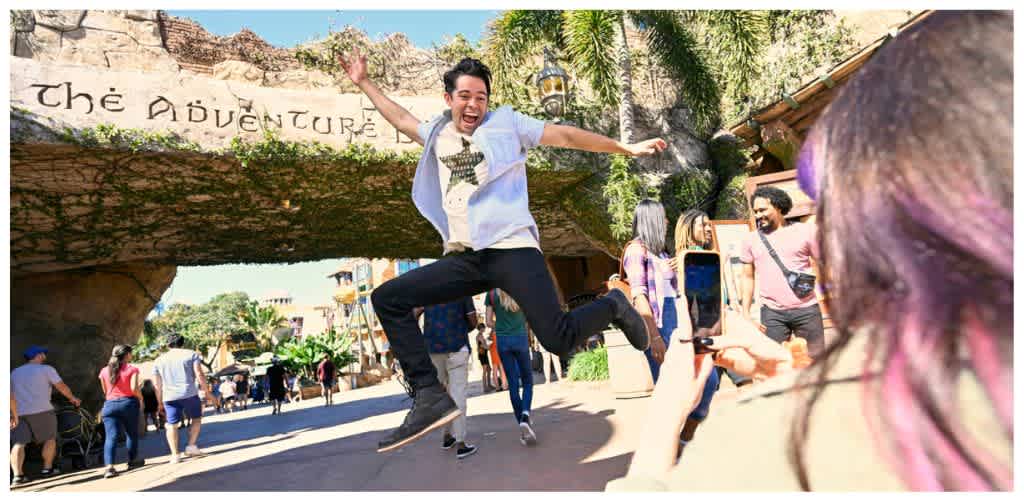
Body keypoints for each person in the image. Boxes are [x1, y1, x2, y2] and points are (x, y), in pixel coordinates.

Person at [607, 11, 1011, 492]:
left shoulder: (763, 443)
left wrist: (660, 429)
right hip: (774, 316)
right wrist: (781, 364)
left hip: (801, 318)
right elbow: (731, 280)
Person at [338, 51, 661, 452]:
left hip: (511, 249)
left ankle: (613, 305)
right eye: (465, 96)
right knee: (388, 297)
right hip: (466, 256)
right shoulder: (438, 135)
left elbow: (567, 135)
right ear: (448, 99)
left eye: (481, 97)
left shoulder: (508, 123)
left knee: (558, 339)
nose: (473, 105)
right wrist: (364, 82)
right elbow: (402, 119)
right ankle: (429, 395)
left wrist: (624, 148)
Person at [624, 201, 721, 454]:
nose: (667, 222)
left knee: (708, 378)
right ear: (652, 220)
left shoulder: (663, 254)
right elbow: (639, 296)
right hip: (658, 323)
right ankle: (666, 450)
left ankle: (686, 435)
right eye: (663, 217)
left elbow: (681, 291)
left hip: (680, 318)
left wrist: (681, 270)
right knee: (670, 393)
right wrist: (654, 337)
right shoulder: (636, 251)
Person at [739, 185, 825, 356]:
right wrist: (745, 312)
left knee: (816, 363)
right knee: (774, 365)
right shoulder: (751, 240)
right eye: (755, 211)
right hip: (772, 314)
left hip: (807, 310)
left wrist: (823, 294)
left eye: (762, 210)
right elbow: (747, 277)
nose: (758, 215)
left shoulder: (806, 231)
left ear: (778, 206)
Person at [416, 297, 478, 459]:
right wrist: (462, 329)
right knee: (458, 394)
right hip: (457, 345)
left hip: (434, 347)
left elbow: (414, 313)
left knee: (443, 394)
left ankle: (446, 436)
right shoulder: (461, 287)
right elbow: (473, 320)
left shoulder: (426, 290)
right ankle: (461, 443)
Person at [10, 346, 81, 485]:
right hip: (43, 410)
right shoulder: (46, 369)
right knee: (50, 439)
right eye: (43, 353)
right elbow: (61, 386)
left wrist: (13, 414)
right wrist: (73, 398)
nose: (45, 355)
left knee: (19, 443)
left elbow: (10, 395)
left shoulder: (14, 373)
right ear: (39, 355)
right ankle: (47, 469)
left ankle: (18, 476)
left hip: (20, 413)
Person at [485, 289, 537, 446]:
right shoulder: (519, 289)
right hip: (520, 338)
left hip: (503, 341)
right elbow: (530, 315)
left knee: (513, 384)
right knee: (527, 381)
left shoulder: (492, 294)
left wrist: (500, 325)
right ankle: (525, 415)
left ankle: (522, 425)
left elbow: (488, 322)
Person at [152, 334, 208, 463]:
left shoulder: (159, 360)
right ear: (183, 343)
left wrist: (159, 401)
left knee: (171, 425)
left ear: (168, 345)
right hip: (189, 393)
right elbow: (199, 374)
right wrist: (207, 392)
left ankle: (175, 455)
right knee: (196, 418)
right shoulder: (191, 354)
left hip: (169, 396)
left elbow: (157, 384)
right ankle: (191, 446)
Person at [97, 345, 144, 478]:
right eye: (131, 353)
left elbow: (105, 391)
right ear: (127, 355)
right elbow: (134, 388)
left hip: (110, 405)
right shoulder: (132, 369)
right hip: (128, 403)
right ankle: (133, 461)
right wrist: (141, 398)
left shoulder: (104, 371)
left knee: (111, 436)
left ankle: (109, 468)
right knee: (131, 433)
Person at [474, 324, 493, 392]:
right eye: (484, 328)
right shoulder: (479, 336)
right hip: (482, 354)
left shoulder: (481, 335)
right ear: (481, 328)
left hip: (484, 353)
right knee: (485, 370)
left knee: (489, 370)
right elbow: (483, 345)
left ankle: (489, 385)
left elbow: (483, 344)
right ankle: (485, 387)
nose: (484, 329)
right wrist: (490, 346)